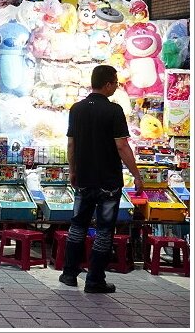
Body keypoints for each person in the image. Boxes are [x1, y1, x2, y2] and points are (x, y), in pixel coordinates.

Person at [58, 64, 143, 294]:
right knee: (104, 230)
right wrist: (136, 174)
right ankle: (95, 279)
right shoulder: (114, 111)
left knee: (78, 226)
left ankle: (69, 273)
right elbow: (121, 145)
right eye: (115, 82)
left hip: (84, 177)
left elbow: (71, 143)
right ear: (107, 84)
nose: (116, 86)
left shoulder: (77, 109)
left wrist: (72, 170)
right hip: (108, 181)